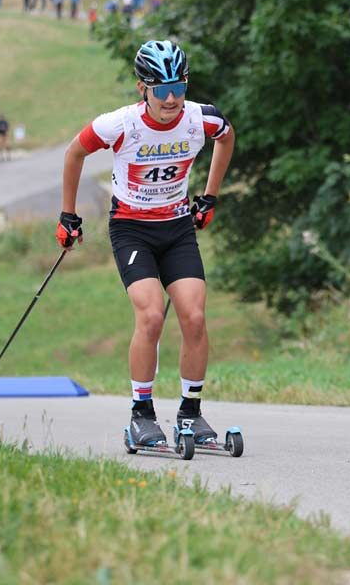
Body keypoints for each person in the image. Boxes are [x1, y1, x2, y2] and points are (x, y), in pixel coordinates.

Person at [58, 40, 235, 452]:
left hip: (176, 228)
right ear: (143, 88)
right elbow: (73, 153)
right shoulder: (119, 125)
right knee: (152, 315)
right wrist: (69, 216)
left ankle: (190, 413)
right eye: (160, 90)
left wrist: (210, 196)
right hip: (131, 229)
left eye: (178, 87)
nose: (171, 98)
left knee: (193, 315)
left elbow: (227, 138)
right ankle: (142, 416)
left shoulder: (200, 119)